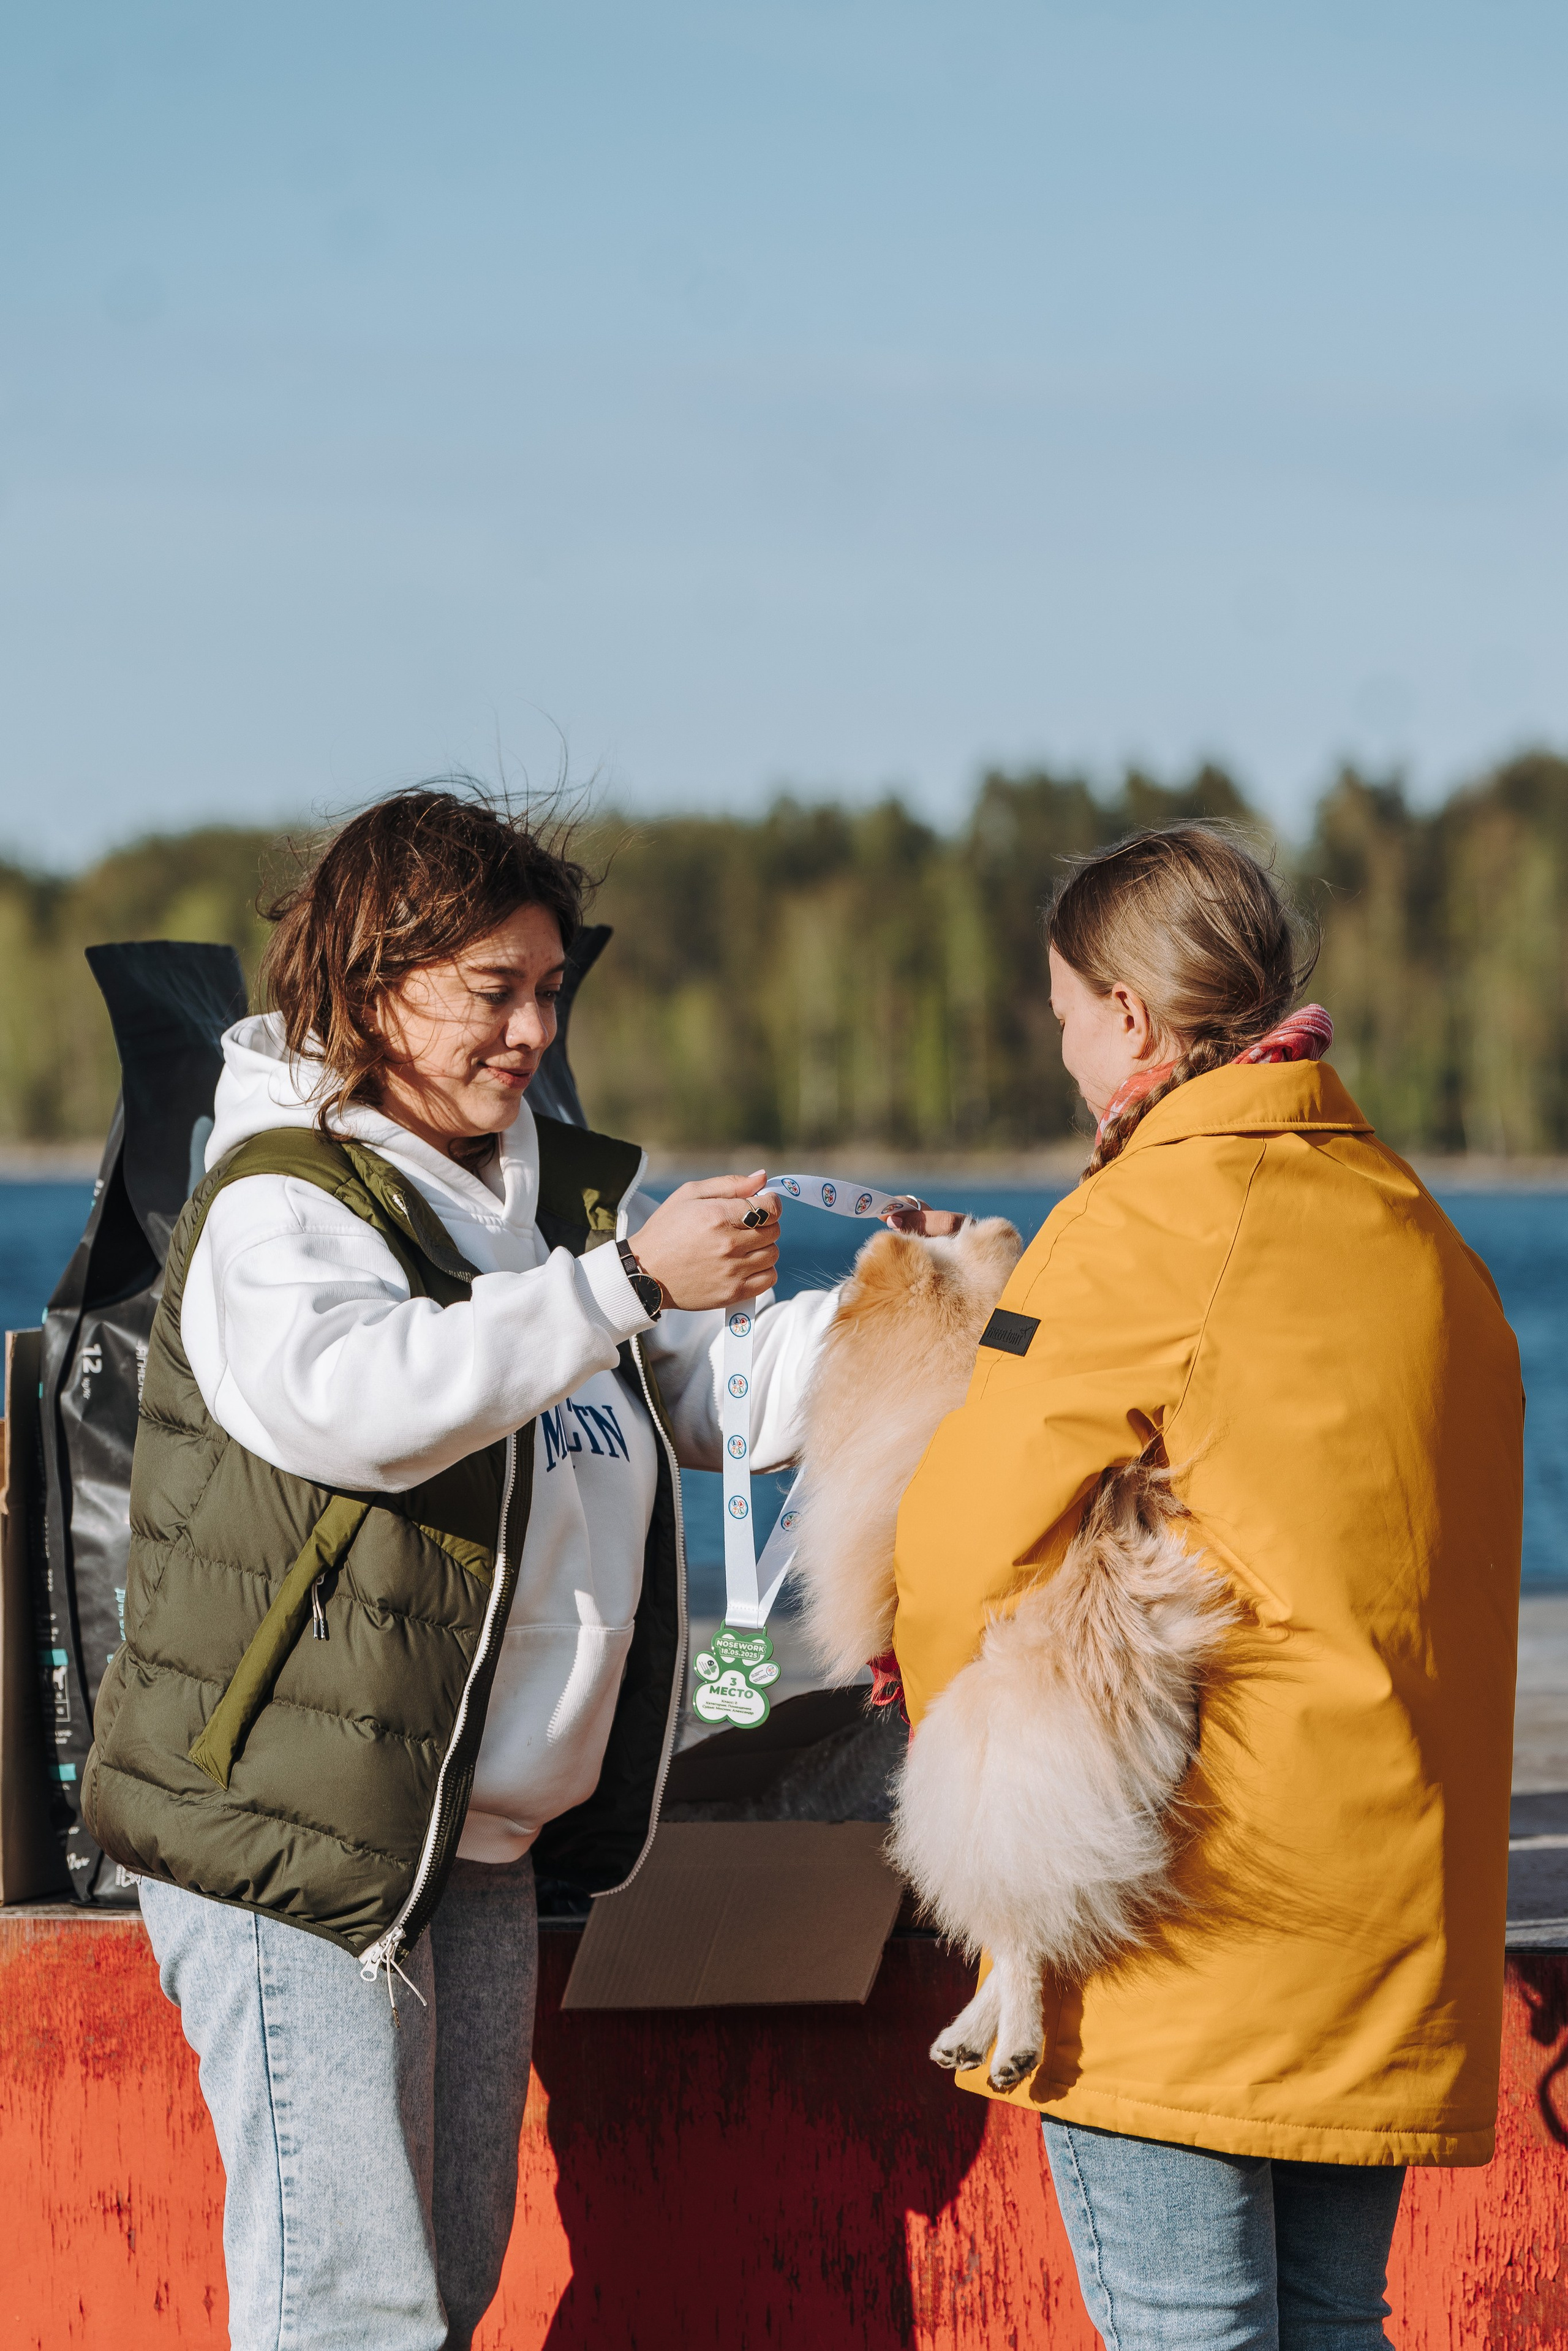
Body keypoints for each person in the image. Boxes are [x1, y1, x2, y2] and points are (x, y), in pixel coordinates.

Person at [83, 787, 952, 2350]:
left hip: (464, 1835)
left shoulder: (532, 1193)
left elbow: (702, 1387)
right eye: (494, 990)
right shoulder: (281, 1193)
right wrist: (619, 1280)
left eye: (550, 989)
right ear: (367, 984)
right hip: (299, 1833)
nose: (534, 1028)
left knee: (452, 2275)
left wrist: (932, 1312)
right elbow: (356, 1402)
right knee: (351, 2305)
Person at [889, 824, 1523, 2350]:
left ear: (1125, 1011)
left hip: (1181, 1905)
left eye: (1056, 1015)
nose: (1059, 1052)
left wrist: (937, 1742)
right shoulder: (1416, 1229)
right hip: (1386, 1915)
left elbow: (961, 1540)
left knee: (1189, 2328)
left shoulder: (1145, 1220)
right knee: (1331, 2322)